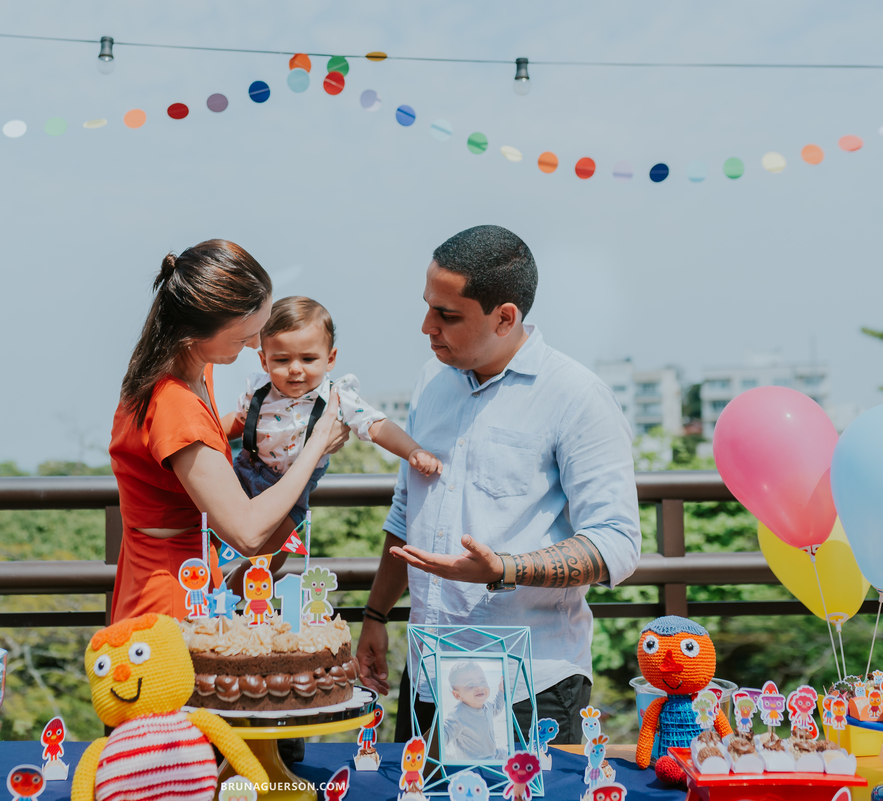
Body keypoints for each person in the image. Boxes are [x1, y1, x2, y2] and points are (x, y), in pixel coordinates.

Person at [355, 225, 641, 744]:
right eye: (427, 307)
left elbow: (616, 542)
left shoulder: (577, 396)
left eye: (446, 315)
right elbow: (406, 513)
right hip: (428, 674)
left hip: (527, 686)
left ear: (505, 317)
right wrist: (376, 615)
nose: (426, 326)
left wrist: (504, 570)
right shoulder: (430, 382)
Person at [108, 240, 350, 622]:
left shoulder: (186, 369)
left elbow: (199, 442)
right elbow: (247, 533)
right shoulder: (176, 405)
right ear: (193, 332)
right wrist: (316, 442)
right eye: (243, 338)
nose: (256, 344)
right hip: (172, 595)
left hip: (177, 573)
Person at [223, 296, 442, 551]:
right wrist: (202, 439)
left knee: (273, 553)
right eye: (282, 360)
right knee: (216, 532)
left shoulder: (336, 396)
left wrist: (412, 451)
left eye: (308, 359)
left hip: (293, 488)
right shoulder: (259, 389)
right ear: (264, 361)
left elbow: (376, 425)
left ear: (330, 359)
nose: (295, 369)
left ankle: (237, 587)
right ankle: (210, 583)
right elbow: (236, 422)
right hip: (246, 471)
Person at [442, 661, 500, 762]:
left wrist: (502, 691)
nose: (479, 687)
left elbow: (497, 707)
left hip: (491, 753)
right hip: (471, 761)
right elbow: (445, 733)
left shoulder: (487, 706)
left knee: (508, 755)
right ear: (457, 695)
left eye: (482, 681)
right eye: (470, 684)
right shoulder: (458, 714)